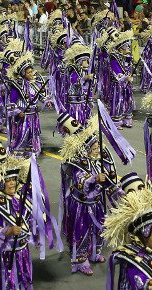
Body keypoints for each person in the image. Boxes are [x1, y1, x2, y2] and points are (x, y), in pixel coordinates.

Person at [58, 115, 117, 275]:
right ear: (86, 149)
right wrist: (94, 178)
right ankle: (81, 260)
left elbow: (108, 181)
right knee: (82, 231)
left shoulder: (99, 161)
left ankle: (94, 252)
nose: (97, 150)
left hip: (97, 203)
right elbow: (80, 182)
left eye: (98, 148)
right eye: (95, 148)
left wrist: (115, 188)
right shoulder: (78, 164)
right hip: (81, 206)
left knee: (97, 229)